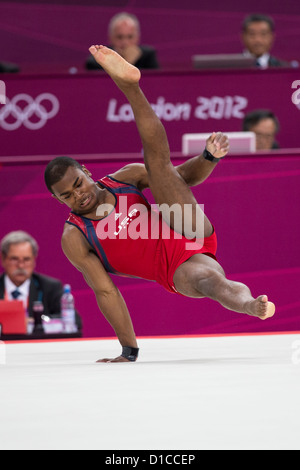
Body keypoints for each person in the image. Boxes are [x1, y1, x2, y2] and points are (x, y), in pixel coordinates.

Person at [45, 45, 275, 362]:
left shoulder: (122, 179)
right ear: (57, 200)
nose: (77, 196)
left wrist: (209, 158)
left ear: (86, 172)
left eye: (77, 184)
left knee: (158, 165)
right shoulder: (75, 236)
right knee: (212, 282)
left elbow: (181, 179)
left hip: (185, 224)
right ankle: (252, 304)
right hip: (174, 268)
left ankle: (130, 85)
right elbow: (105, 291)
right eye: (66, 196)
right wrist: (128, 349)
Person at [0, 230, 82, 330]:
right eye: (14, 259)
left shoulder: (50, 287)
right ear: (3, 259)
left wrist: (37, 321)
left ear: (34, 260)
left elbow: (75, 322)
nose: (20, 265)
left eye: (26, 259)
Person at [85, 12, 159, 71]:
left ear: (137, 38)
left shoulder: (148, 56)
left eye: (130, 37)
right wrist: (127, 63)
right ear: (110, 38)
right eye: (119, 37)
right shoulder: (100, 57)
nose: (125, 43)